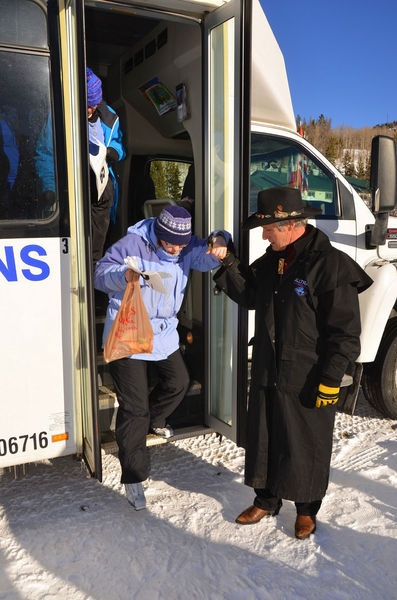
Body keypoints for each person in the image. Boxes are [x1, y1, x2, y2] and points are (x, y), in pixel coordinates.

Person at [214, 186, 372, 539]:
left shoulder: (329, 265)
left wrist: (331, 380)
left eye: (268, 228)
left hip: (309, 373)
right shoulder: (273, 260)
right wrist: (226, 262)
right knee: (266, 435)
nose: (265, 235)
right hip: (271, 367)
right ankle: (267, 499)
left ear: (290, 224)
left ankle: (306, 509)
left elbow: (344, 333)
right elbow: (250, 295)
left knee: (305, 442)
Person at [94, 205, 230, 510]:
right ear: (158, 232)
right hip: (127, 330)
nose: (175, 249)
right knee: (134, 407)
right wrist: (124, 274)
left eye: (181, 245)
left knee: (179, 382)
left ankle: (156, 419)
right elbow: (99, 276)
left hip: (163, 332)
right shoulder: (131, 244)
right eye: (170, 244)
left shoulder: (186, 248)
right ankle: (133, 477)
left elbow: (208, 256)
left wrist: (221, 240)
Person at [86, 67, 126, 265]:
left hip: (101, 185)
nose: (89, 111)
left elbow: (119, 145)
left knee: (97, 248)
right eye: (85, 105)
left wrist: (114, 152)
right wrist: (49, 188)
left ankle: (94, 272)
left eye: (92, 105)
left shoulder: (110, 118)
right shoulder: (63, 116)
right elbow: (46, 153)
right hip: (76, 185)